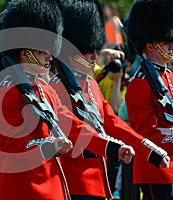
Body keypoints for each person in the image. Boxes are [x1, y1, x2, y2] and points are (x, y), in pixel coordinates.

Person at [0, 0, 139, 199]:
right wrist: (48, 146)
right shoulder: (7, 91)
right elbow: (7, 143)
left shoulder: (46, 90)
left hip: (53, 185)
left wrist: (111, 147)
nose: (50, 57)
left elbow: (74, 126)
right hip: (22, 187)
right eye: (43, 52)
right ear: (25, 53)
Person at [48, 0, 170, 199]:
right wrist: (110, 147)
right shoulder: (55, 86)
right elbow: (73, 127)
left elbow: (113, 123)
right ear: (72, 52)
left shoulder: (91, 84)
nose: (95, 56)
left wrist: (149, 148)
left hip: (97, 182)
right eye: (88, 51)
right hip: (71, 182)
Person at [125, 0, 173, 199]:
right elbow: (145, 135)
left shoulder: (169, 77)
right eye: (165, 42)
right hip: (155, 171)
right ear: (151, 46)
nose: (171, 46)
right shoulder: (140, 84)